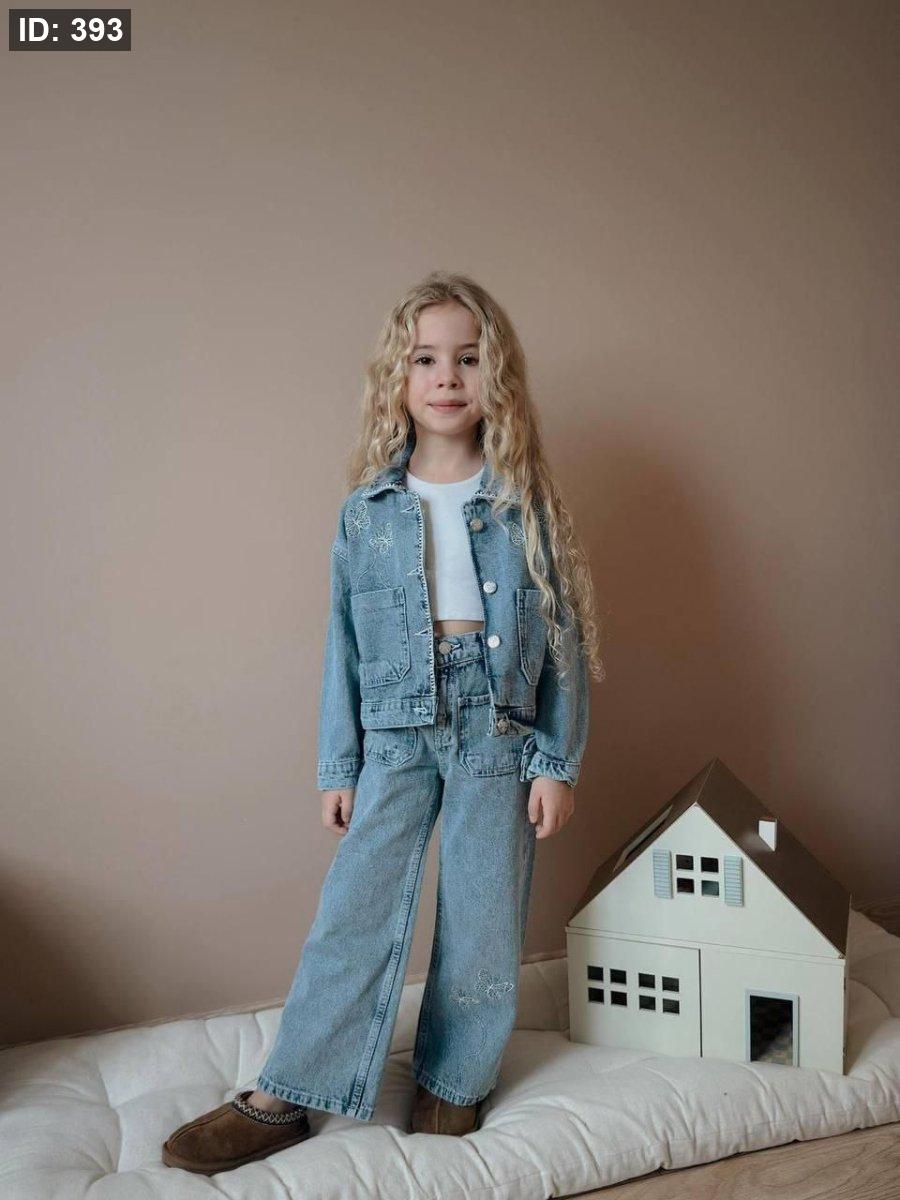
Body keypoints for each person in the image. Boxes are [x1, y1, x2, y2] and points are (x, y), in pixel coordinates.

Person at [162, 271, 607, 1174]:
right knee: (354, 911)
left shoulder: (526, 502)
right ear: (398, 380)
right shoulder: (366, 511)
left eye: (468, 359)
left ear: (496, 376)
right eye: (426, 360)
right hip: (396, 731)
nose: (447, 377)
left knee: (484, 914)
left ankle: (454, 1078)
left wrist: (556, 761)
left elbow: (562, 637)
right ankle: (290, 1089)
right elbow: (344, 644)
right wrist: (340, 765)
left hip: (498, 729)